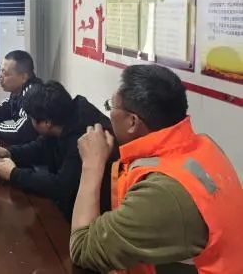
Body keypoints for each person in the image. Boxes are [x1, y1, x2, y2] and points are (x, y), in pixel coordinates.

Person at [70, 64, 243, 273]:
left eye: (110, 107)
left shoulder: (162, 192)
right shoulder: (204, 146)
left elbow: (82, 249)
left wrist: (92, 164)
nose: (109, 114)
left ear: (132, 122)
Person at [0, 81, 116, 220]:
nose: (31, 122)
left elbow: (61, 187)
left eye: (32, 119)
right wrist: (10, 153)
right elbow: (41, 147)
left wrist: (13, 174)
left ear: (47, 123)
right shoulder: (63, 118)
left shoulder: (82, 138)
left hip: (96, 214)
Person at [0, 50, 42, 144]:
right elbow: (5, 109)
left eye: (5, 73)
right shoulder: (17, 92)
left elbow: (21, 132)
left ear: (23, 77)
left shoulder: (33, 94)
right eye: (1, 72)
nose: (0, 77)